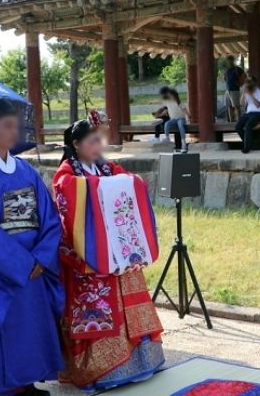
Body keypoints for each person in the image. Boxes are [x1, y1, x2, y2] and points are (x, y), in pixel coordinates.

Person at [0, 90, 64, 396]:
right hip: (0, 273)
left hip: (33, 267)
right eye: (5, 125)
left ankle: (26, 385)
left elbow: (49, 217)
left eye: (15, 125)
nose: (12, 132)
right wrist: (23, 264)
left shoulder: (25, 170)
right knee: (1, 328)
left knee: (30, 328)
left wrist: (42, 258)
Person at [52, 118, 165, 391]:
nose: (97, 145)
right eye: (91, 141)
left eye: (99, 141)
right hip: (89, 256)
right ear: (76, 145)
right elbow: (65, 194)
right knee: (99, 310)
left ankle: (140, 363)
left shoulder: (107, 168)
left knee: (129, 304)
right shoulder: (67, 173)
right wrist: (98, 189)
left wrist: (123, 182)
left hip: (119, 256)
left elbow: (133, 184)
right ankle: (101, 371)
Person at [152, 86, 189, 153]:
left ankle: (183, 141)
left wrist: (188, 116)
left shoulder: (179, 103)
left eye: (171, 95)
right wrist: (152, 102)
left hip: (180, 118)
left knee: (180, 125)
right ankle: (167, 138)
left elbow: (185, 110)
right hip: (173, 119)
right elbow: (160, 102)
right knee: (167, 123)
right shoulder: (168, 102)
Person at [235, 77, 260, 154]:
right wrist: (244, 93)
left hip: (258, 113)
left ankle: (246, 147)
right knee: (238, 126)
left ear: (255, 84)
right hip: (248, 113)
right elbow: (241, 103)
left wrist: (251, 94)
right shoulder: (247, 92)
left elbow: (258, 105)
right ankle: (248, 142)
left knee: (248, 125)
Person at [224, 55, 246, 122]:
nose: (229, 61)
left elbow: (244, 76)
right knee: (229, 106)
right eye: (228, 60)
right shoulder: (227, 70)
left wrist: (240, 84)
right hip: (228, 90)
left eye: (230, 60)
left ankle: (239, 121)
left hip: (235, 90)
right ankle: (231, 121)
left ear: (233, 61)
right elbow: (225, 78)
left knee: (236, 106)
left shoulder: (237, 69)